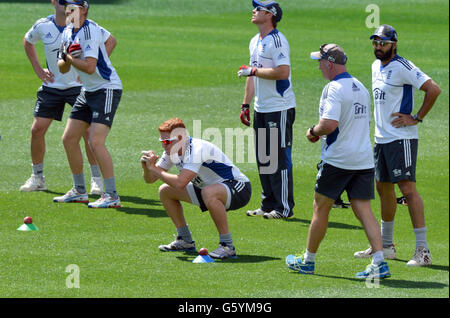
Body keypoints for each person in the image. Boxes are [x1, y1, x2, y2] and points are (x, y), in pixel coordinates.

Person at [286, 44, 391, 279]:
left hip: (338, 160)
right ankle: (379, 261)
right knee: (363, 209)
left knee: (320, 207)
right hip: (363, 159)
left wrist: (313, 131)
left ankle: (308, 261)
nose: (319, 65)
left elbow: (329, 124)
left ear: (330, 63)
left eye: (320, 61)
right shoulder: (360, 87)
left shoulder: (333, 88)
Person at [354, 25, 441, 266]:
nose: (378, 47)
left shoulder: (403, 67)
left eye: (383, 42)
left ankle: (423, 251)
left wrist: (417, 117)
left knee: (408, 190)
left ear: (394, 43)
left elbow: (433, 89)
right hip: (381, 139)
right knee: (383, 189)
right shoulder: (375, 67)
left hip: (401, 139)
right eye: (375, 42)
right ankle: (386, 246)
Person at [20, 0, 116, 194]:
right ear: (54, 2)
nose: (66, 5)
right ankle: (37, 178)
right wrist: (38, 69)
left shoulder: (86, 26)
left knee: (87, 134)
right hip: (52, 86)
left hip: (80, 88)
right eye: (63, 1)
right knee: (37, 130)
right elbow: (28, 41)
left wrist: (93, 65)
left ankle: (96, 179)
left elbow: (111, 41)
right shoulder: (43, 25)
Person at [141, 118, 252, 259]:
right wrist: (147, 167)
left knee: (208, 192)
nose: (164, 146)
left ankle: (227, 246)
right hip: (208, 189)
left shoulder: (197, 149)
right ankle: (185, 240)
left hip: (238, 188)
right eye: (162, 142)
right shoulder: (172, 151)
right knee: (165, 191)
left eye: (167, 142)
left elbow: (180, 182)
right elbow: (150, 179)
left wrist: (155, 168)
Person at [54, 0, 123, 208]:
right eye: (66, 7)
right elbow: (63, 68)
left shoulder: (90, 31)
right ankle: (79, 191)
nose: (67, 10)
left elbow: (91, 68)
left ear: (83, 10)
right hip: (88, 90)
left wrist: (71, 59)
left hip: (106, 89)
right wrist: (67, 58)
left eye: (72, 7)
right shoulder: (67, 32)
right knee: (69, 138)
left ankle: (111, 195)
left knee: (95, 141)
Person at [238, 0, 296, 219]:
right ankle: (267, 203)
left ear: (270, 15)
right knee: (264, 157)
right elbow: (251, 75)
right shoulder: (255, 40)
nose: (253, 11)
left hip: (279, 108)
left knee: (279, 157)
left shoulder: (278, 41)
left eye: (258, 9)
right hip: (261, 107)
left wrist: (253, 71)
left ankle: (283, 208)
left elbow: (282, 72)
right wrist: (246, 104)